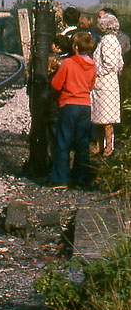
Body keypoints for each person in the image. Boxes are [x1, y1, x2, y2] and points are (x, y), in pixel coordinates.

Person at [49, 31, 96, 188]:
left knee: (63, 142)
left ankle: (61, 178)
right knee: (82, 143)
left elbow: (56, 84)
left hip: (69, 105)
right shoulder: (92, 65)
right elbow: (91, 85)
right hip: (85, 105)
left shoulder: (68, 63)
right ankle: (81, 178)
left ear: (75, 47)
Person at [91, 12, 124, 157]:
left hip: (105, 85)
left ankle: (108, 147)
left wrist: (97, 72)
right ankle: (101, 145)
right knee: (101, 118)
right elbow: (120, 63)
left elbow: (111, 64)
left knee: (106, 119)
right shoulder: (111, 40)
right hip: (107, 84)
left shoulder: (108, 41)